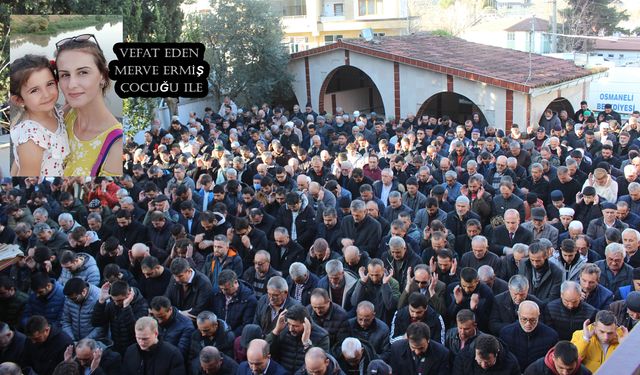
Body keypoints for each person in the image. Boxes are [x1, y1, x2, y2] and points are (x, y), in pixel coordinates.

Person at [55, 34, 123, 176]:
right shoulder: (64, 116)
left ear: (103, 77)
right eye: (65, 75)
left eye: (83, 72)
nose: (71, 85)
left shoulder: (116, 144)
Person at [9, 54, 69, 176]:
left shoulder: (50, 112)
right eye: (34, 90)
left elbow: (61, 115)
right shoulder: (32, 140)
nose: (46, 94)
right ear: (19, 100)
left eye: (50, 84)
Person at [265, 304, 330, 373]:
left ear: (305, 323)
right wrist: (276, 332)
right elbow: (266, 353)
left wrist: (306, 343)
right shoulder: (283, 329)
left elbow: (318, 364)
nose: (290, 329)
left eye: (295, 326)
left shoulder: (322, 336)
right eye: (289, 324)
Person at [91, 280, 149, 355]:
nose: (116, 303)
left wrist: (126, 307)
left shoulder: (141, 305)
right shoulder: (112, 304)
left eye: (119, 300)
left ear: (129, 294)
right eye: (113, 300)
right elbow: (96, 322)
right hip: (117, 348)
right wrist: (101, 302)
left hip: (135, 350)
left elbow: (133, 329)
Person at [499, 301, 559, 370]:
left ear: (538, 316)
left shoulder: (551, 336)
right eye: (524, 319)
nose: (528, 324)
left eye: (533, 320)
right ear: (518, 314)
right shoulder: (506, 333)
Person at [212, 269, 257, 336]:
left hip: (236, 336)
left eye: (226, 289)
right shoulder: (217, 293)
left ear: (235, 283)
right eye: (221, 289)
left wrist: (230, 335)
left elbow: (246, 325)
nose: (223, 292)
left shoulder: (249, 299)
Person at [452, 333, 520, 374]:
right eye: (480, 361)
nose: (483, 365)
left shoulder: (511, 363)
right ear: (475, 352)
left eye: (487, 362)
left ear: (496, 354)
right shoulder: (463, 357)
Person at [524, 341, 592, 375]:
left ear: (577, 361)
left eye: (570, 369)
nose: (565, 373)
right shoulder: (535, 370)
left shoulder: (585, 373)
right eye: (561, 367)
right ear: (553, 357)